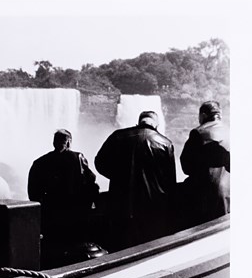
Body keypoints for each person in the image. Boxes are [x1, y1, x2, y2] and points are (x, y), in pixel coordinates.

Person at [94, 110, 178, 248]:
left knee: (120, 246)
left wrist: (117, 177)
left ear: (139, 122)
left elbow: (99, 162)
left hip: (121, 202)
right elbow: (170, 181)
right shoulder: (165, 143)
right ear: (156, 125)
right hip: (152, 206)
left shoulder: (117, 136)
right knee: (149, 247)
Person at [27, 128, 100, 266]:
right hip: (75, 214)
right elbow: (91, 184)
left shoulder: (40, 163)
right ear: (69, 143)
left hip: (51, 215)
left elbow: (33, 193)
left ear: (54, 143)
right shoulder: (78, 158)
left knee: (53, 248)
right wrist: (92, 205)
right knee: (75, 248)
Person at [179, 100, 230, 225]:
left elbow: (186, 166)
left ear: (203, 115)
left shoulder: (198, 133)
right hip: (228, 192)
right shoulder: (231, 131)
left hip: (205, 193)